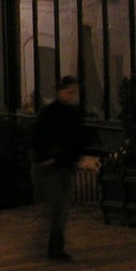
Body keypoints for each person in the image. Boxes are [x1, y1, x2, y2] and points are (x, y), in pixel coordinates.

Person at [31, 74, 85, 261]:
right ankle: (54, 247)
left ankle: (53, 244)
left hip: (66, 166)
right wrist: (46, 158)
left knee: (61, 209)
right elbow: (38, 137)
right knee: (57, 209)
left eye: (73, 92)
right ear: (60, 92)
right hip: (52, 167)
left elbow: (78, 138)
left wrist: (75, 157)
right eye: (69, 92)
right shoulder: (50, 113)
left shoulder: (72, 113)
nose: (71, 96)